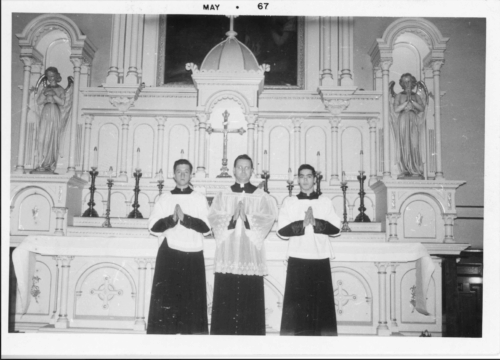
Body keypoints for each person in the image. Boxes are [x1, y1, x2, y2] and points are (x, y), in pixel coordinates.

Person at [208, 154, 277, 335]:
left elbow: (268, 219)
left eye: (247, 168)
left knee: (249, 300)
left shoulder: (261, 196)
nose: (243, 171)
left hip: (250, 256)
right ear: (233, 170)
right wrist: (231, 218)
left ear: (252, 171)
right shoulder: (223, 194)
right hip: (228, 255)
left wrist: (248, 219)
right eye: (240, 167)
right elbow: (214, 218)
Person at [147, 159, 211, 334]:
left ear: (191, 174)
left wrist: (185, 218)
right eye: (179, 172)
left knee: (191, 304)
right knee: (167, 304)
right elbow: (152, 226)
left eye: (186, 172)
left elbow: (207, 227)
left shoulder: (198, 198)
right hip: (169, 255)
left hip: (193, 255)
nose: (182, 175)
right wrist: (172, 220)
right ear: (173, 174)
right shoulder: (165, 198)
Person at [277, 164, 341, 336]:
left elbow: (337, 228)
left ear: (315, 179)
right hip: (297, 258)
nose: (305, 180)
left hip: (320, 258)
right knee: (297, 305)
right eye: (302, 176)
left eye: (309, 176)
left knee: (321, 305)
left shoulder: (325, 202)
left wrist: (316, 222)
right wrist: (303, 224)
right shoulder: (289, 202)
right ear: (298, 179)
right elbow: (281, 231)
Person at [33, 67, 72, 172]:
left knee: (51, 137)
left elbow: (63, 103)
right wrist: (45, 95)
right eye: (48, 76)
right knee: (42, 137)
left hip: (54, 112)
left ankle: (49, 163)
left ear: (56, 76)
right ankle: (40, 162)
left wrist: (53, 96)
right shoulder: (45, 88)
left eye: (52, 76)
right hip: (46, 111)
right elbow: (39, 102)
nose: (50, 78)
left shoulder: (60, 89)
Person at [392, 73, 426, 177]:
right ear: (401, 83)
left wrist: (412, 102)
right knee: (404, 143)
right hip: (403, 120)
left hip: (413, 120)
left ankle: (415, 167)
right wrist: (406, 103)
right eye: (405, 82)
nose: (407, 84)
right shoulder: (399, 95)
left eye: (409, 81)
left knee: (414, 144)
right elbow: (396, 109)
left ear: (413, 82)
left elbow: (422, 108)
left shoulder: (416, 96)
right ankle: (405, 168)